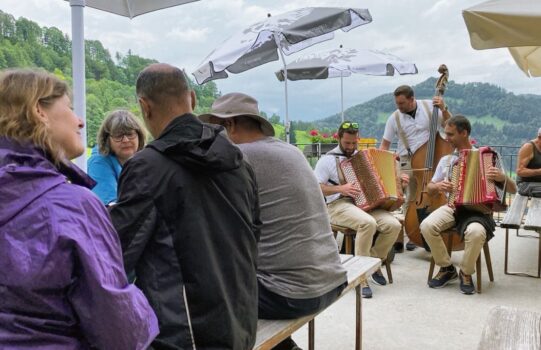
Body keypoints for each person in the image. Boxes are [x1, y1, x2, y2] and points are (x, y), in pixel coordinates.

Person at [0, 68, 158, 349]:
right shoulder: (72, 206)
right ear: (39, 111)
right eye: (70, 108)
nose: (80, 121)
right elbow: (121, 332)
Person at [109, 64, 260, 349]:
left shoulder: (146, 167)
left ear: (144, 106)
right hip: (241, 323)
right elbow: (254, 236)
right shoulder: (238, 161)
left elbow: (117, 255)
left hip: (182, 335)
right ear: (191, 98)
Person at [200, 92, 348, 350]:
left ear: (229, 125)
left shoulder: (239, 157)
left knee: (205, 291)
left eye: (216, 127)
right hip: (332, 280)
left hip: (292, 296)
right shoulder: (291, 151)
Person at [420, 115, 516, 295]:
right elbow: (430, 189)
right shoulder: (446, 161)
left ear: (464, 133)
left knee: (476, 232)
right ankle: (447, 268)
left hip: (479, 211)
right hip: (452, 207)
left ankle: (465, 272)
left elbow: (513, 189)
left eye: (450, 134)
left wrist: (502, 178)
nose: (446, 138)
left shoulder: (487, 158)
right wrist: (439, 186)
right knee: (426, 225)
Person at [314, 121, 402, 298]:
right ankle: (362, 277)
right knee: (367, 223)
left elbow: (380, 182)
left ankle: (373, 263)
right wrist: (341, 188)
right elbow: (315, 187)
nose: (351, 147)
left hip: (364, 204)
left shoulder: (363, 157)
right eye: (347, 143)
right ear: (338, 138)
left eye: (354, 143)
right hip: (337, 205)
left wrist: (398, 178)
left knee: (394, 225)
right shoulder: (327, 160)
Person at [380, 85, 452, 250]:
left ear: (412, 99)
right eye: (397, 103)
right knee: (409, 196)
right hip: (407, 160)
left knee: (436, 193)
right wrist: (383, 165)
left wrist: (444, 108)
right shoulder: (394, 118)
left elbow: (450, 125)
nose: (399, 107)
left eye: (402, 103)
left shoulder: (430, 107)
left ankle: (434, 229)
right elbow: (385, 144)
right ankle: (412, 231)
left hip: (434, 159)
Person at [88, 109, 145, 205]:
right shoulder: (98, 162)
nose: (126, 140)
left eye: (130, 134)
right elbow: (112, 207)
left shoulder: (145, 158)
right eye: (118, 136)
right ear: (107, 140)